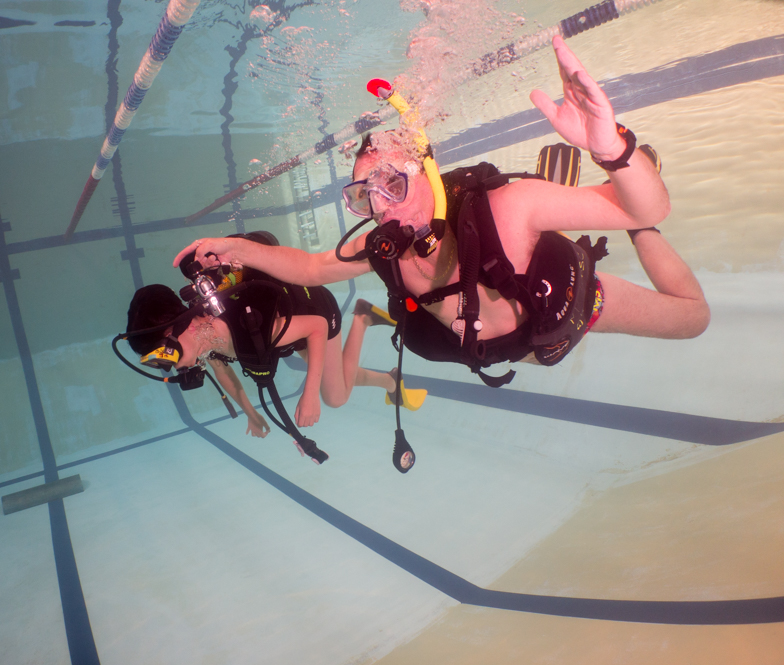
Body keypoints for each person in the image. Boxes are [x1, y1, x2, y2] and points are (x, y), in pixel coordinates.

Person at [173, 37, 710, 386]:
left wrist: (613, 150)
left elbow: (655, 202)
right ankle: (587, 198)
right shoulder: (383, 249)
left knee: (692, 319)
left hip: (569, 305)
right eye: (364, 195)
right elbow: (312, 269)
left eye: (392, 184)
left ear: (426, 171)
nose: (381, 208)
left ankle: (620, 206)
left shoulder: (509, 208)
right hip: (521, 347)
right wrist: (236, 248)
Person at [124, 263, 426, 449]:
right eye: (157, 361)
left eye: (163, 356)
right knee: (333, 374)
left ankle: (362, 319)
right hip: (291, 329)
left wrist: (309, 395)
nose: (170, 366)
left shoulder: (243, 328)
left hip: (316, 311)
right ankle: (391, 381)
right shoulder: (204, 336)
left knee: (334, 396)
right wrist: (251, 414)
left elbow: (317, 327)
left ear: (181, 328)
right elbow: (224, 373)